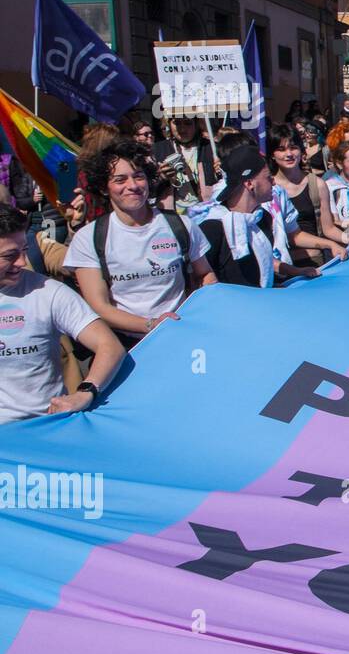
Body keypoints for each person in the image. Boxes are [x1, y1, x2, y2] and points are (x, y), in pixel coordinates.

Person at [65, 139, 216, 347]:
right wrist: (151, 324)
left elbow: (205, 274)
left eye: (138, 177)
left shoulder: (181, 224)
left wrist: (199, 312)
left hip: (184, 336)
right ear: (104, 187)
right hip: (127, 346)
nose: (133, 186)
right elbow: (99, 306)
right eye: (120, 180)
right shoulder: (88, 238)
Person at [0, 203, 125, 424]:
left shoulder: (49, 292)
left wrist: (85, 392)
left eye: (25, 251)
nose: (21, 262)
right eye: (10, 255)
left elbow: (110, 346)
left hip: (46, 428)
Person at [196, 145, 321, 287]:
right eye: (268, 178)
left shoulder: (262, 218)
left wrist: (295, 271)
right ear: (250, 184)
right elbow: (201, 280)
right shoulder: (212, 227)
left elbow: (262, 260)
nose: (274, 182)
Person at [267, 124, 349, 267]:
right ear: (273, 155)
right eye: (281, 149)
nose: (289, 154)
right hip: (281, 265)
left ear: (301, 150)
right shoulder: (268, 187)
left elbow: (328, 228)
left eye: (293, 147)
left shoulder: (317, 184)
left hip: (316, 262)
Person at [153, 115, 219, 213]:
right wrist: (160, 177)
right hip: (173, 214)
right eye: (177, 123)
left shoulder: (211, 148)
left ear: (197, 124)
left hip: (205, 212)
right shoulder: (158, 150)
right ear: (169, 124)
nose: (182, 129)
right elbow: (149, 188)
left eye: (188, 123)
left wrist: (221, 171)